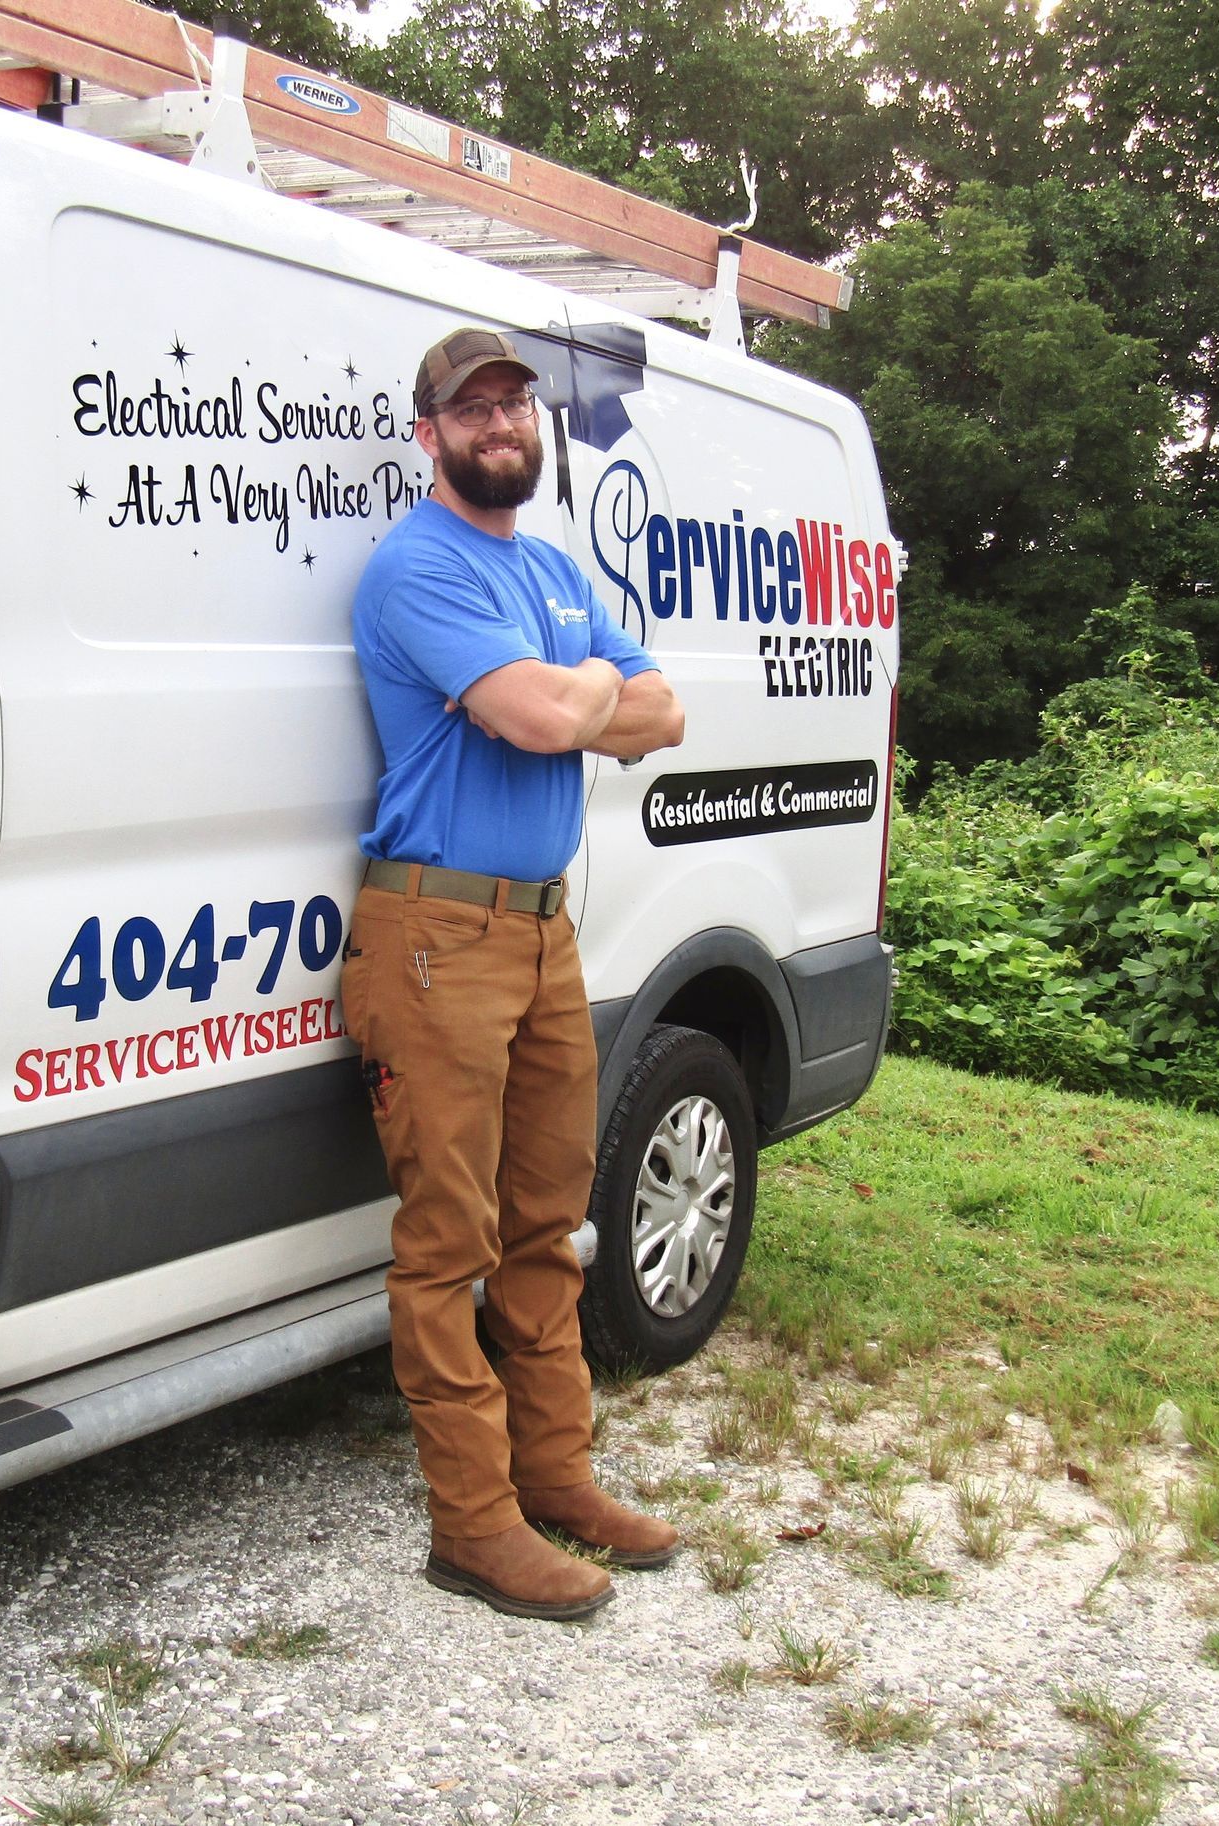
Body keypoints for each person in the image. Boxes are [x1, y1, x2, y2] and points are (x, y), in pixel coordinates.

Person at [342, 327, 687, 1621]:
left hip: (541, 934)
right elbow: (561, 719)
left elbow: (668, 716)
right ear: (428, 432)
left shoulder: (545, 566)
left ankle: (556, 1475)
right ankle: (473, 1523)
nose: (501, 424)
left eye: (515, 405)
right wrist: (594, 684)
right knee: (450, 1242)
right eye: (472, 408)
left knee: (549, 1224)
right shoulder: (415, 567)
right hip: (433, 935)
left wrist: (580, 688)